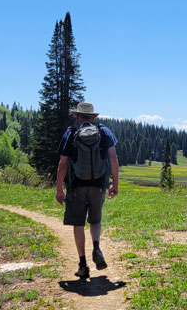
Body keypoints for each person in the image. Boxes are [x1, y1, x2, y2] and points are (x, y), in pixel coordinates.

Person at [55, 102, 119, 279]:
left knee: (78, 224)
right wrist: (115, 184)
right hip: (99, 185)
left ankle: (83, 265)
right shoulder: (104, 132)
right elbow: (113, 159)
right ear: (93, 117)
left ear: (77, 116)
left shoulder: (71, 133)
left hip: (76, 185)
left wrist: (59, 189)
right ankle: (96, 247)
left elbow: (62, 164)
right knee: (95, 220)